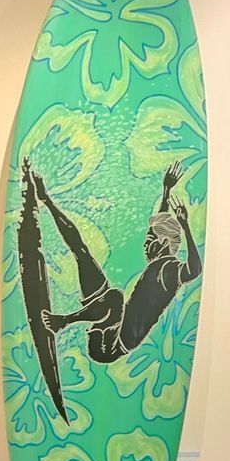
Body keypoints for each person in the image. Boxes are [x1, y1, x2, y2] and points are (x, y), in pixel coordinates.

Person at [25, 157, 200, 370]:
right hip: (110, 324)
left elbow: (194, 270)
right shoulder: (159, 261)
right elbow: (160, 218)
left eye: (150, 240)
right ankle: (46, 200)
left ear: (163, 243)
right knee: (82, 252)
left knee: (115, 297)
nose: (145, 244)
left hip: (111, 346)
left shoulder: (171, 269)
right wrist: (166, 190)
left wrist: (185, 226)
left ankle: (62, 322)